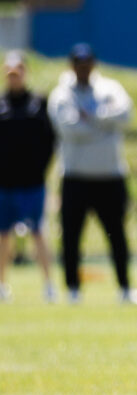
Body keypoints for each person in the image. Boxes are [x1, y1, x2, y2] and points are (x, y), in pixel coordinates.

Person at [47, 43, 137, 304]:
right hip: (76, 177)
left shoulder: (110, 88)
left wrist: (90, 117)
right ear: (72, 66)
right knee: (71, 237)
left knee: (117, 235)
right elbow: (70, 128)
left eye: (87, 62)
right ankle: (73, 289)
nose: (83, 67)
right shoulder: (61, 94)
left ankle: (124, 287)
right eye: (79, 63)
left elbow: (125, 114)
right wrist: (104, 125)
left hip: (110, 176)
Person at [0, 51, 57, 302]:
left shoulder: (38, 103)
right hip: (4, 182)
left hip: (33, 181)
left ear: (25, 72)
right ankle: (2, 285)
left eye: (18, 72)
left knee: (38, 233)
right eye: (10, 73)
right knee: (3, 234)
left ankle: (48, 285)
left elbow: (50, 140)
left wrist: (41, 168)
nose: (14, 77)